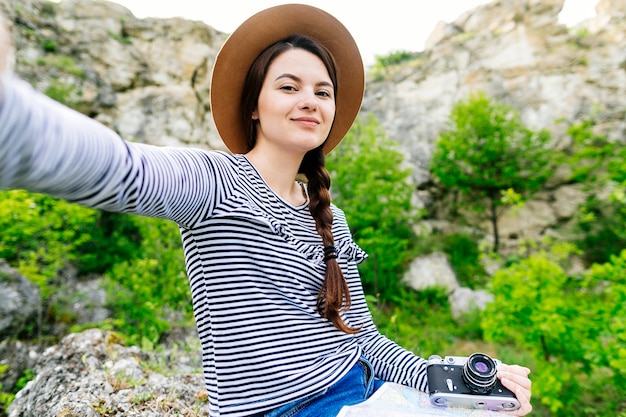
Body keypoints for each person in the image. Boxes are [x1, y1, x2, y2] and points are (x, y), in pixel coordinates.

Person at [0, 4, 532, 417]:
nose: (311, 100)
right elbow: (118, 169)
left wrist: (461, 378)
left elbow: (366, 341)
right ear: (254, 105)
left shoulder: (331, 218)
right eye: (289, 86)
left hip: (368, 393)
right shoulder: (213, 182)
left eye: (323, 91)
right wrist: (11, 119)